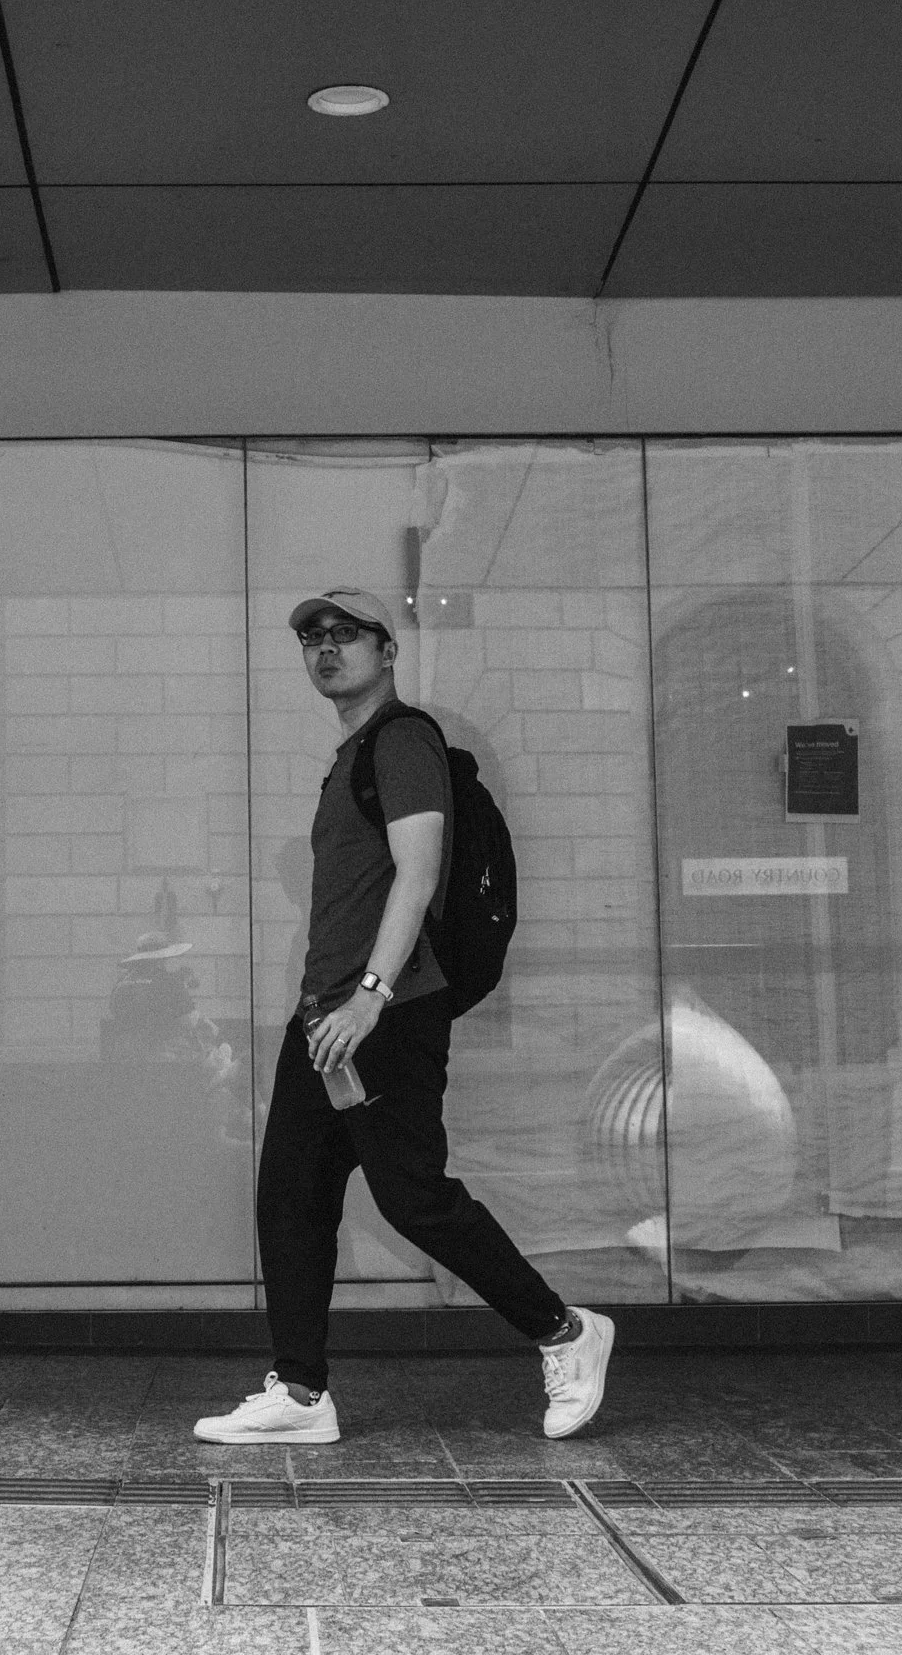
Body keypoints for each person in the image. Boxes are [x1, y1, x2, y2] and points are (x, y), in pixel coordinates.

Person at [194, 586, 613, 1446]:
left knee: (413, 1199)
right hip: (327, 1020)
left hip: (383, 1014)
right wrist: (333, 1004)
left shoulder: (402, 739)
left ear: (386, 651)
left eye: (347, 633)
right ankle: (300, 1393)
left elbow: (417, 876)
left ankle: (565, 1332)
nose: (326, 647)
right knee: (291, 1197)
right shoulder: (352, 753)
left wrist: (371, 996)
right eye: (312, 636)